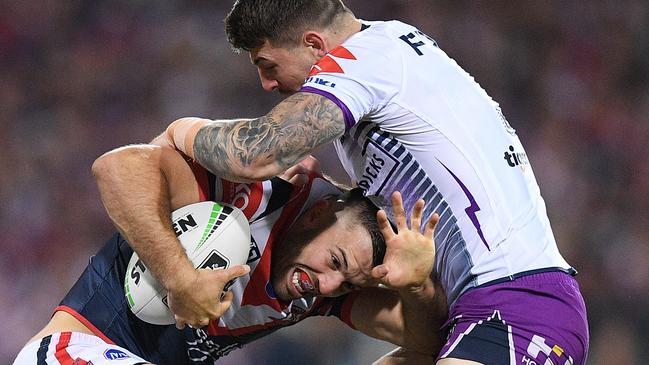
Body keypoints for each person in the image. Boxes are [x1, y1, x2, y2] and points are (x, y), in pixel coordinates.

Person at [158, 1, 590, 364]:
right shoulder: (388, 56)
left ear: (314, 44)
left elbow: (257, 153)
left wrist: (180, 132)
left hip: (520, 305)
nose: (267, 83)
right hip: (478, 310)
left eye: (268, 64)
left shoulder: (365, 59)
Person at [13, 143, 442, 365]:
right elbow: (116, 167)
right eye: (335, 264)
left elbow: (428, 345)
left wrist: (419, 286)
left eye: (348, 283)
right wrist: (179, 277)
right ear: (318, 216)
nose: (328, 286)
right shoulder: (249, 195)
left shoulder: (327, 283)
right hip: (76, 350)